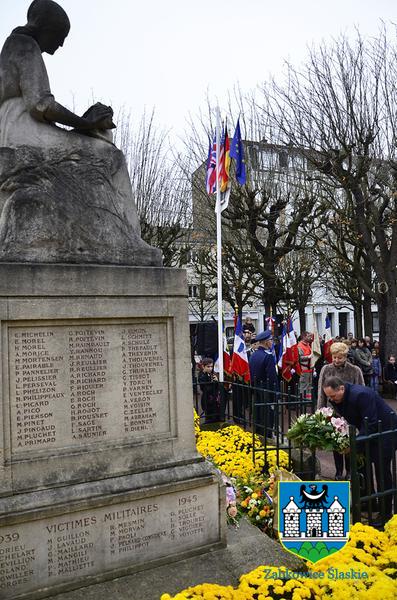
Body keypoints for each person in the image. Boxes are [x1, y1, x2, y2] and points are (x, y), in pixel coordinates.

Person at [0, 0, 160, 265]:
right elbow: (41, 104)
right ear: (44, 27)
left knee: (96, 144)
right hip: (22, 132)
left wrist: (80, 126)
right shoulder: (24, 46)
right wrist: (85, 125)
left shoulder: (12, 46)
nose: (61, 44)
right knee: (109, 154)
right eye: (60, 36)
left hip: (20, 128)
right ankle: (130, 239)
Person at [322, 377, 397, 525]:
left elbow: (371, 423)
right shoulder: (338, 398)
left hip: (385, 431)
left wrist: (353, 443)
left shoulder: (361, 395)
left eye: (333, 396)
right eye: (328, 396)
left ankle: (386, 512)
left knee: (382, 470)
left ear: (341, 389)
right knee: (362, 466)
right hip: (367, 431)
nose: (331, 400)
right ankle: (369, 502)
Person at [317, 342, 365, 480]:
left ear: (345, 356)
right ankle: (338, 471)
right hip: (331, 412)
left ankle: (350, 471)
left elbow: (362, 389)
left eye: (339, 357)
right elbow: (321, 392)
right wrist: (320, 412)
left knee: (349, 442)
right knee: (335, 443)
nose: (336, 360)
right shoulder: (326, 369)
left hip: (351, 412)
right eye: (334, 357)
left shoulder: (355, 370)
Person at [249, 330, 279, 438]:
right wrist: (275, 393)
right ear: (266, 342)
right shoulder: (268, 356)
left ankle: (258, 434)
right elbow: (272, 377)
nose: (272, 342)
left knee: (258, 413)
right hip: (266, 389)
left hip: (256, 387)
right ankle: (267, 436)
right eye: (271, 340)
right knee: (268, 414)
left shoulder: (254, 355)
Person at [198, 358, 220, 423]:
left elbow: (216, 387)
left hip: (213, 399)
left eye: (211, 366)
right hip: (207, 400)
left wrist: (216, 381)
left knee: (215, 416)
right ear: (203, 366)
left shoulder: (210, 374)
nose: (210, 368)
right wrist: (214, 383)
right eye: (208, 366)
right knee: (209, 417)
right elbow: (205, 389)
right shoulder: (201, 376)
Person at [297, 331, 313, 399]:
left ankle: (308, 399)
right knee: (303, 386)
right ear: (304, 337)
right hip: (304, 369)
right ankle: (302, 400)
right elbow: (299, 358)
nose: (311, 338)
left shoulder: (308, 345)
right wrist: (308, 357)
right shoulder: (300, 346)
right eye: (309, 336)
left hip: (309, 369)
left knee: (309, 385)